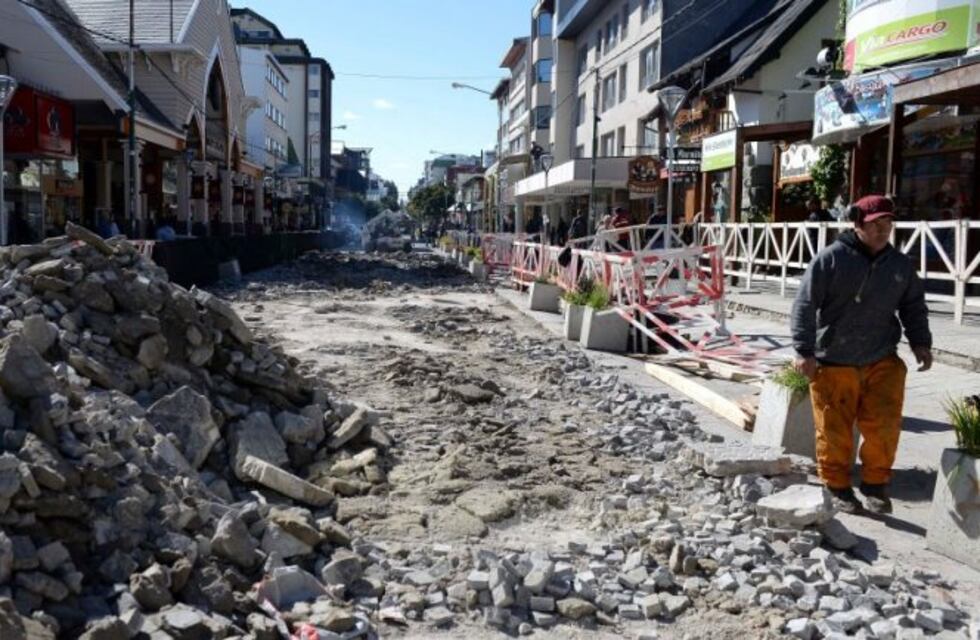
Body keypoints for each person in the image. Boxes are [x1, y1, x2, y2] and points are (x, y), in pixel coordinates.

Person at [791, 195, 932, 515]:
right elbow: (805, 304)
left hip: (881, 357)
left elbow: (913, 305)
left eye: (888, 224)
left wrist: (920, 342)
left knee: (884, 425)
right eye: (875, 224)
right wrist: (803, 349)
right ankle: (837, 485)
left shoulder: (899, 265)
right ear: (858, 224)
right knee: (834, 430)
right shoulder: (831, 259)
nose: (883, 231)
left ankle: (875, 484)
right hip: (834, 360)